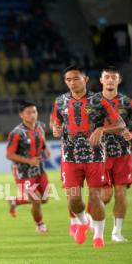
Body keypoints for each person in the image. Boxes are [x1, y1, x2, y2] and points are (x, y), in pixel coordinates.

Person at [51, 65, 127, 248]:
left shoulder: (98, 100)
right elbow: (55, 120)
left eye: (75, 78)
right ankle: (83, 221)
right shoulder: (60, 101)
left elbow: (121, 124)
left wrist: (102, 129)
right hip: (70, 157)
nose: (72, 83)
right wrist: (55, 128)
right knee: (74, 199)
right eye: (68, 80)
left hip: (95, 156)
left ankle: (98, 237)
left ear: (85, 79)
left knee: (95, 197)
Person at [96, 66, 132, 242]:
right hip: (99, 155)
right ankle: (93, 215)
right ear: (101, 80)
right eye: (107, 77)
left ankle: (116, 232)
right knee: (106, 195)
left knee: (120, 193)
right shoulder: (92, 103)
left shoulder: (127, 103)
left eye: (113, 77)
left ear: (119, 81)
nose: (110, 80)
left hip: (122, 154)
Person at [6, 101, 50, 233]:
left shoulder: (41, 126)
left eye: (34, 112)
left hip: (39, 170)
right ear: (21, 115)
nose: (32, 115)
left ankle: (15, 201)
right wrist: (28, 161)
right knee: (36, 201)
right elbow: (9, 155)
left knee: (45, 199)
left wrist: (45, 149)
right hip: (23, 173)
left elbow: (41, 141)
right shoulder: (17, 133)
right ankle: (40, 225)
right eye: (28, 112)